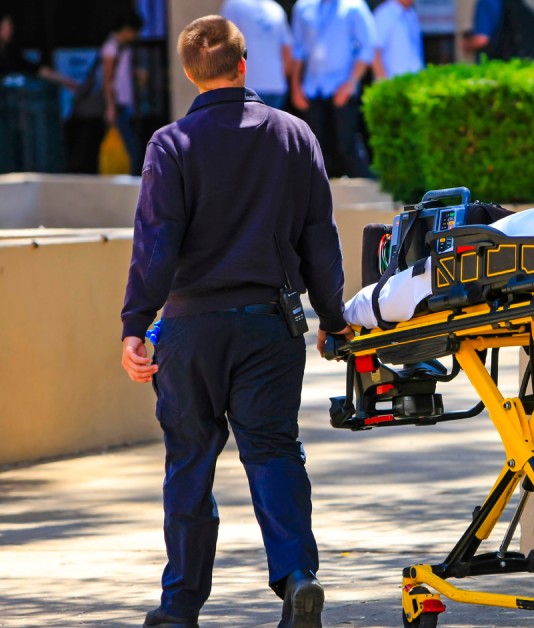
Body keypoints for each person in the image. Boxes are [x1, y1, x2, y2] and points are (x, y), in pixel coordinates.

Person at [120, 15, 352, 628]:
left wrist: (135, 325)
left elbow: (155, 244)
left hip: (192, 330)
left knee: (190, 461)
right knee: (274, 452)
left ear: (191, 75)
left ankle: (180, 607)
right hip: (270, 326)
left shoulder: (170, 144)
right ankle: (298, 577)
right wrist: (334, 317)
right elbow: (319, 239)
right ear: (245, 63)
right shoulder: (295, 135)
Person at [290, 0, 376, 178]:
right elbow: (298, 50)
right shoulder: (303, 6)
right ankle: (319, 200)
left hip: (343, 89)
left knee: (347, 145)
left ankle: (366, 195)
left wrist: (351, 83)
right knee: (315, 148)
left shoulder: (354, 6)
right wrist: (295, 87)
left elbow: (367, 49)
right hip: (313, 88)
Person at [220, 0, 293, 109]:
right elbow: (287, 48)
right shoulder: (276, 8)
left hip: (246, 85)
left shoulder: (233, 5)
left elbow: (224, 43)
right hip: (275, 86)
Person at [100, 11, 145, 174]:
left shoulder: (124, 48)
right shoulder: (111, 47)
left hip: (126, 103)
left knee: (132, 149)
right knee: (131, 150)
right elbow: (107, 79)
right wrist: (110, 107)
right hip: (118, 104)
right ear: (126, 29)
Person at [0, 14, 80, 88]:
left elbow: (36, 69)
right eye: (7, 26)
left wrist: (66, 81)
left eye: (11, 26)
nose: (11, 29)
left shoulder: (12, 53)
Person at [462, 0, 534, 62]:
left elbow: (482, 40)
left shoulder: (486, 2)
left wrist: (467, 44)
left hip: (495, 68)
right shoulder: (518, 4)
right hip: (520, 66)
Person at [372, 0, 424, 79]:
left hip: (414, 83)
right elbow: (374, 52)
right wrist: (384, 84)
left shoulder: (411, 13)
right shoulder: (384, 13)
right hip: (393, 85)